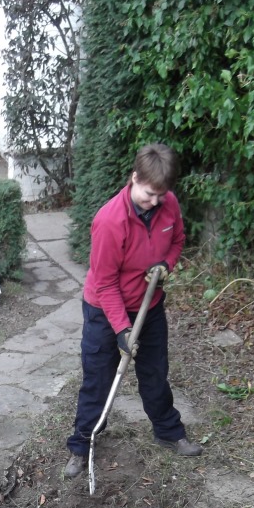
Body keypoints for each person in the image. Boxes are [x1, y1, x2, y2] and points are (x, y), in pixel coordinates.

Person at [64, 142, 201, 478]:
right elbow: (105, 283)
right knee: (98, 379)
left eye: (161, 194)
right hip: (104, 310)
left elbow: (179, 239)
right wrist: (122, 330)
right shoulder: (110, 221)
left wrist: (166, 264)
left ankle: (169, 432)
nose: (155, 201)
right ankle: (83, 444)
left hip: (149, 305)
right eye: (149, 193)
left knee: (155, 374)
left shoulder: (168, 205)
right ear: (134, 177)